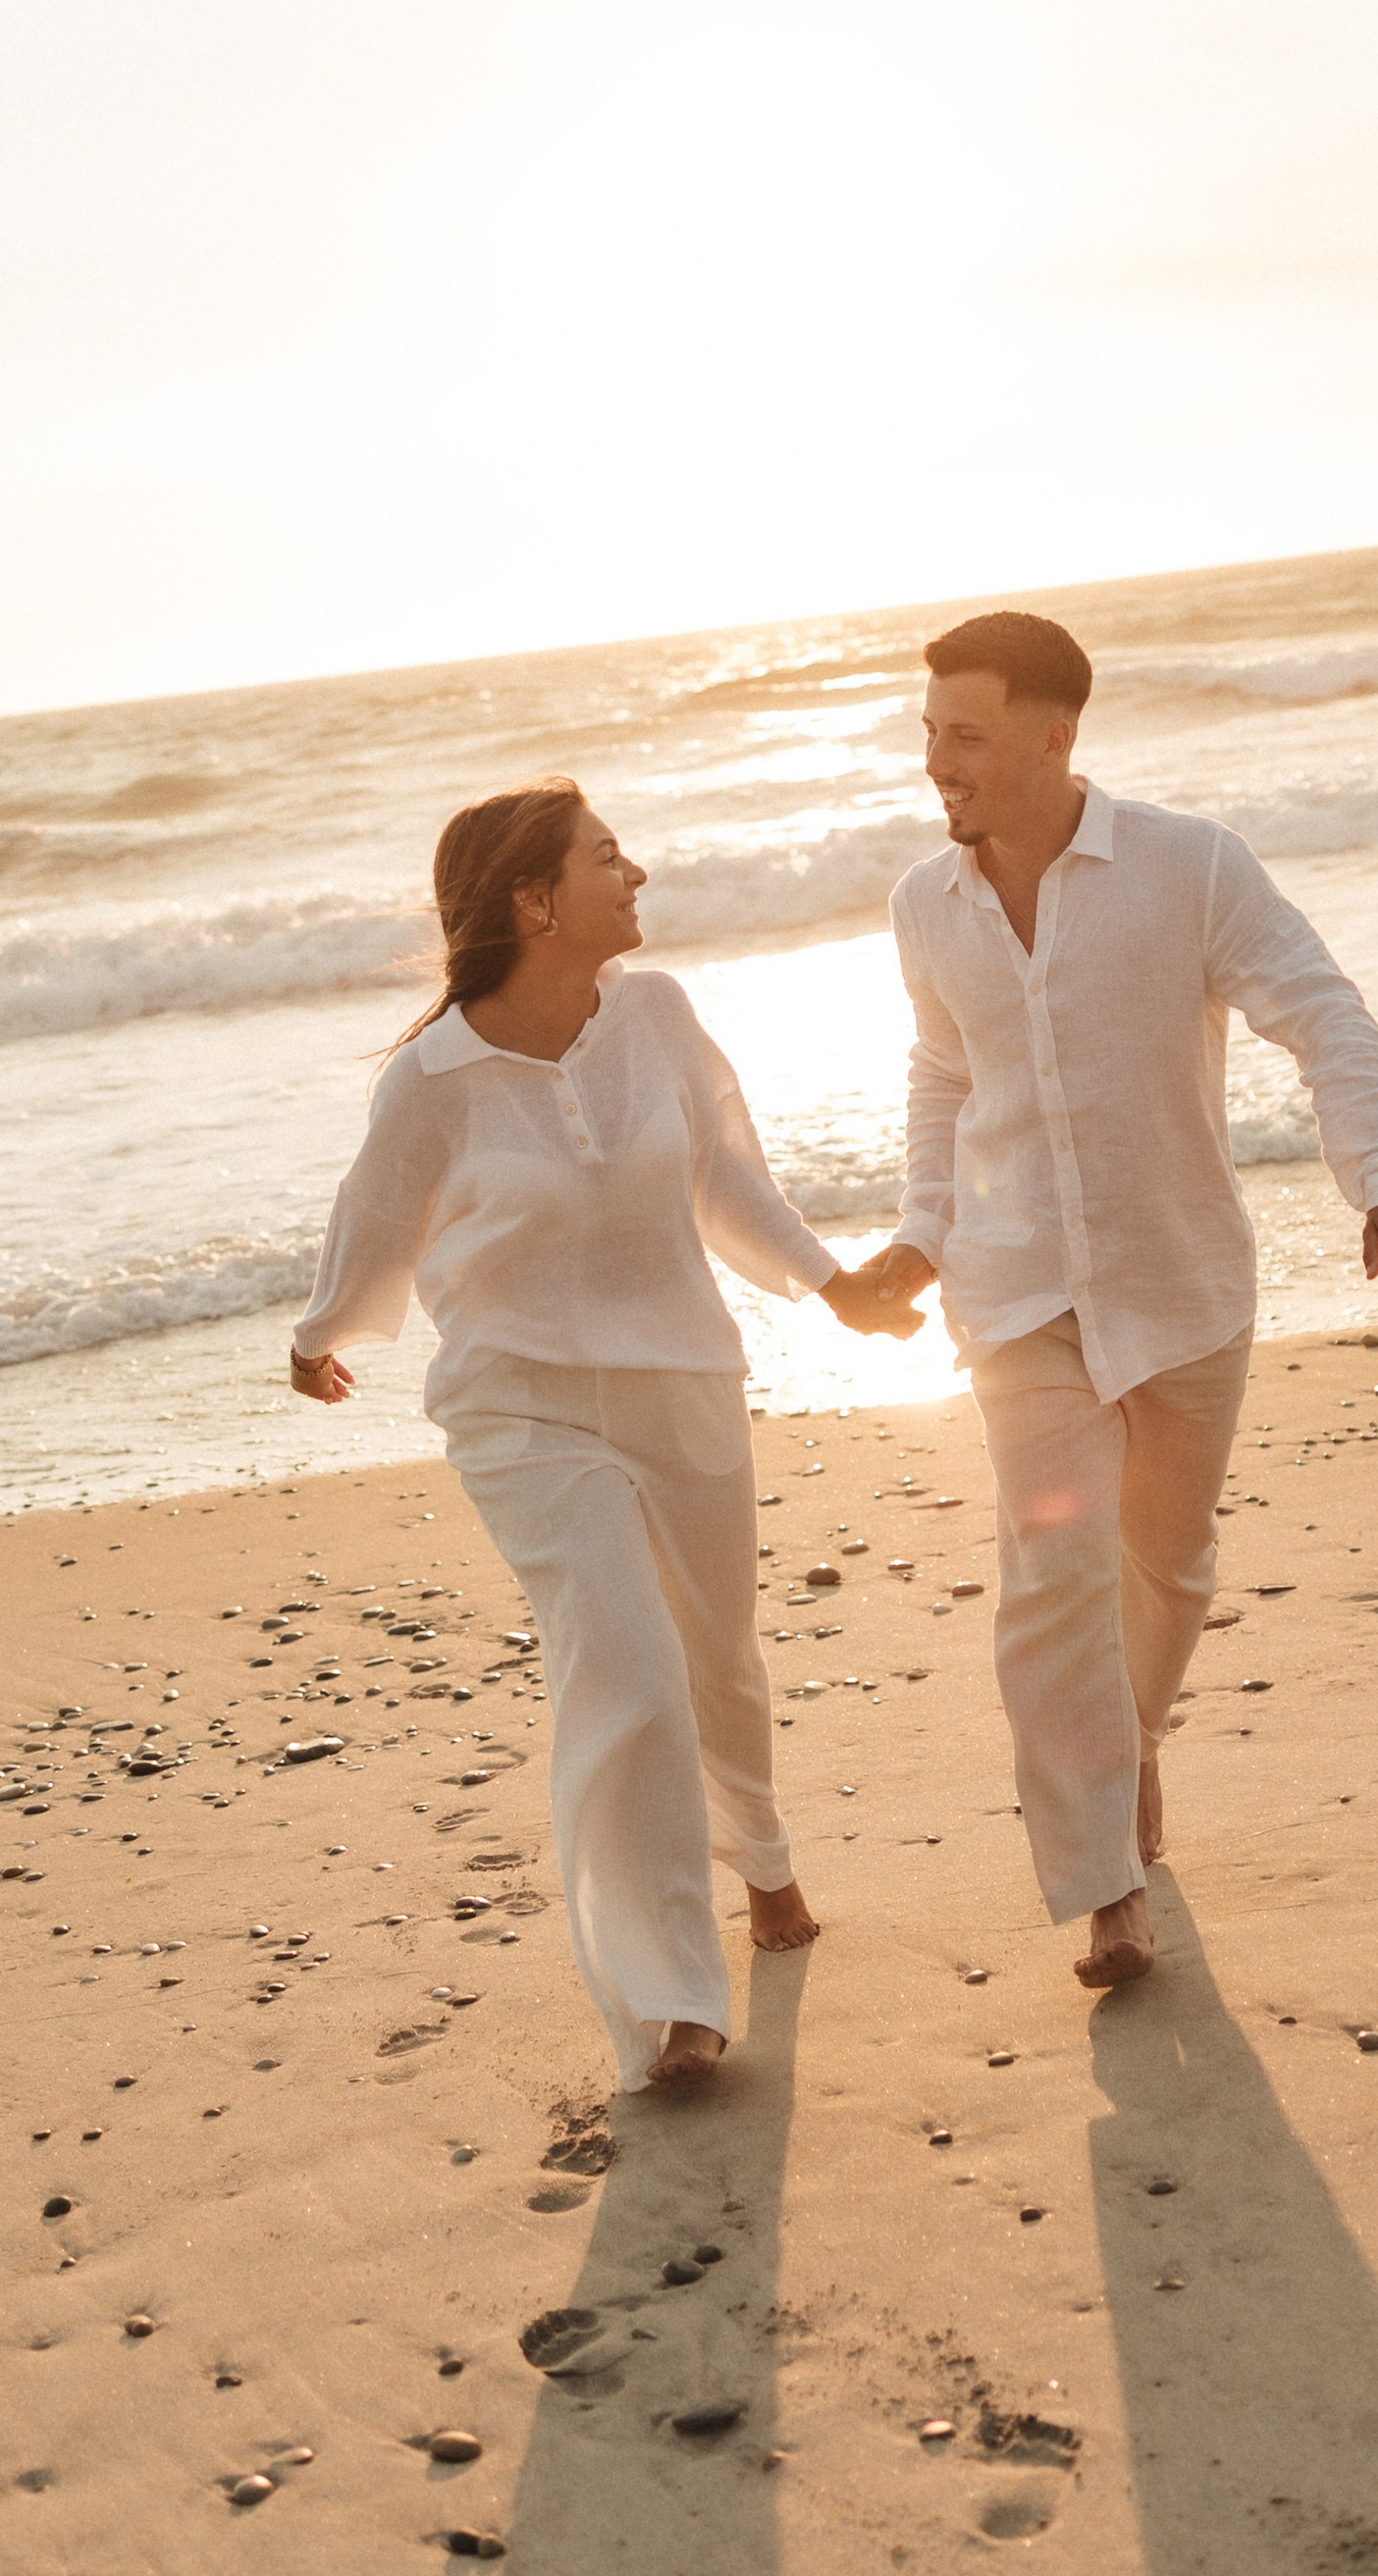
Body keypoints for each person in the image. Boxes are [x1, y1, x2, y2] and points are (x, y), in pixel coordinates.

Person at [853, 611, 1378, 1994]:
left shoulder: (1188, 869)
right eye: (930, 731)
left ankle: (1134, 1742)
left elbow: (1321, 1009)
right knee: (1052, 1580)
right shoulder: (921, 906)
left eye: (966, 736)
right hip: (1016, 1302)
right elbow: (945, 1076)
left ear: (1053, 738)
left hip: (1178, 1280)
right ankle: (1106, 1883)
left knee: (1168, 1570)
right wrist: (922, 1233)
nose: (936, 761)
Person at [288, 777, 917, 2092]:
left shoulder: (657, 1015)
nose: (636, 878)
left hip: (681, 1379)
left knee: (720, 1663)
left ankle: (766, 1855)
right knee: (627, 1674)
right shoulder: (435, 1078)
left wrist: (833, 1286)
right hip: (522, 1408)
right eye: (608, 859)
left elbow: (726, 1174)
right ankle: (673, 1996)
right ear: (533, 899)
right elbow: (372, 1220)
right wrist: (321, 1331)